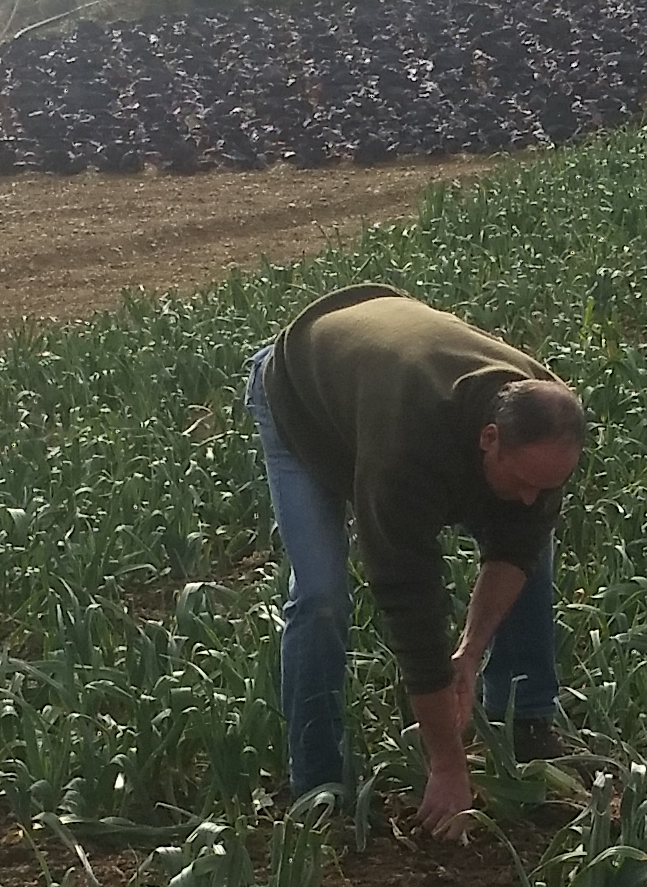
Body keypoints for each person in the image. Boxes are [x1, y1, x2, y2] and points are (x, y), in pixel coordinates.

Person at [248, 281, 586, 835]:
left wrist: (470, 652)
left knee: (532, 554)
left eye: (546, 487)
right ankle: (317, 785)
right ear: (489, 439)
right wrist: (448, 764)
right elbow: (410, 601)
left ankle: (526, 722)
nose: (533, 497)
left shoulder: (544, 423)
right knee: (321, 597)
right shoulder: (407, 449)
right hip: (302, 392)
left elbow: (517, 546)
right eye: (523, 482)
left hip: (383, 363)